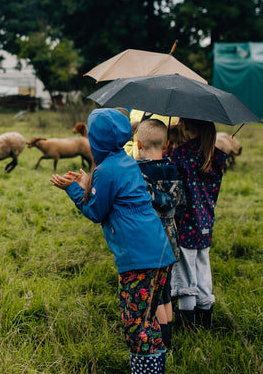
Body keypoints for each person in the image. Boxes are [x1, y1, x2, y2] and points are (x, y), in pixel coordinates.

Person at [51, 108, 176, 373]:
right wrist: (88, 181)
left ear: (95, 140)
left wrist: (72, 189)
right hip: (160, 251)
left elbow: (96, 211)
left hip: (138, 259)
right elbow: (114, 194)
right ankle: (156, 367)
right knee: (147, 320)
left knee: (136, 326)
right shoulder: (125, 160)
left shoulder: (106, 170)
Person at [168, 117, 228, 330]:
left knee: (185, 277)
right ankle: (206, 321)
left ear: (184, 126)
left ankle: (188, 327)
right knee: (203, 272)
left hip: (184, 226)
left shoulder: (181, 156)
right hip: (205, 226)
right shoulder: (215, 157)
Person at [134, 118, 185, 349]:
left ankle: (160, 342)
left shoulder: (139, 172)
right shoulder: (174, 168)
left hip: (151, 240)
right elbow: (179, 203)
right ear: (166, 144)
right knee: (166, 292)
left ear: (138, 144)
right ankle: (169, 338)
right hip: (172, 239)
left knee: (154, 295)